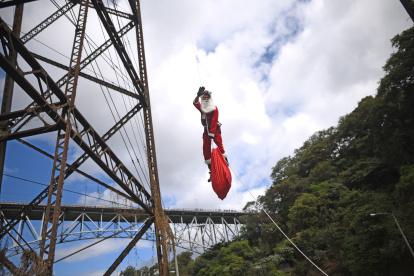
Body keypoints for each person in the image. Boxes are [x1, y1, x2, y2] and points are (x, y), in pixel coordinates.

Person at [193, 86, 227, 181]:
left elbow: (214, 120)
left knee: (220, 146)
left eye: (207, 97)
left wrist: (211, 133)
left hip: (215, 130)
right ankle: (211, 171)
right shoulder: (202, 108)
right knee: (205, 150)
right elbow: (195, 103)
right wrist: (197, 95)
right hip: (206, 131)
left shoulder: (214, 108)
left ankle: (225, 162)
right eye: (204, 97)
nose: (206, 98)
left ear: (210, 98)